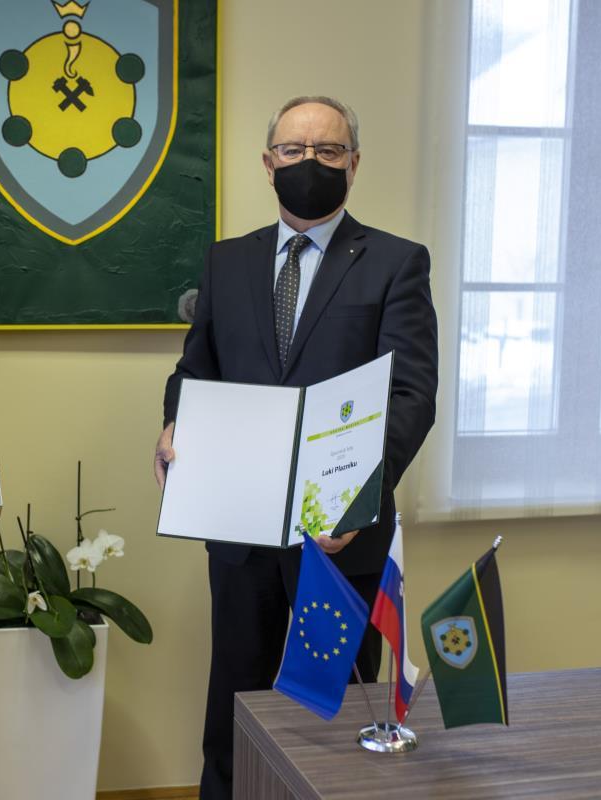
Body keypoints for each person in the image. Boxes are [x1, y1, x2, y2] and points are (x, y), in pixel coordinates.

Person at [153, 96, 437, 800]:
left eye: (328, 150)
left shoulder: (396, 263)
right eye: (293, 150)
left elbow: (411, 396)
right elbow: (195, 371)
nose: (310, 162)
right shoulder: (227, 261)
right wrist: (173, 424)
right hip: (240, 527)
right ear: (268, 162)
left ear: (354, 163)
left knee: (335, 714)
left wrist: (356, 498)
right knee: (235, 706)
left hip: (341, 534)